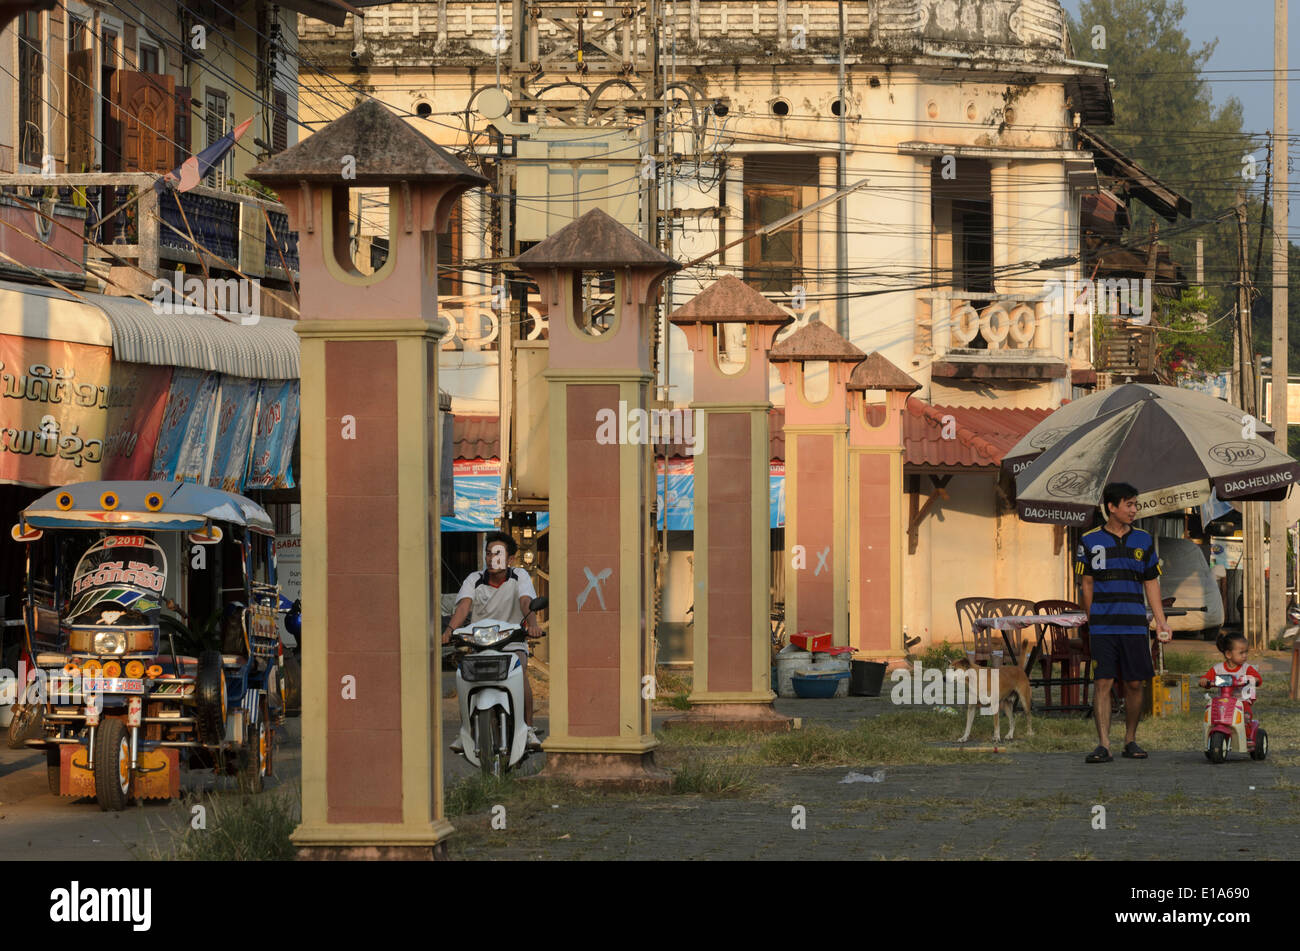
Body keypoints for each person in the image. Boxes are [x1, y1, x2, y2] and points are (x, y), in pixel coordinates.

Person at [1076, 482, 1171, 763]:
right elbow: (1087, 583)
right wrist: (1093, 620)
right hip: (1103, 626)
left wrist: (1161, 622)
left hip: (1134, 625)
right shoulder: (1089, 540)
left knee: (1134, 684)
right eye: (1128, 504)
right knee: (1103, 682)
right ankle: (1104, 744)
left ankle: (1130, 739)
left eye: (1135, 504)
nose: (1134, 510)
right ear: (1112, 507)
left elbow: (1152, 582)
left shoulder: (1142, 540)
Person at [442, 531, 543, 750]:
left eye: (497, 553)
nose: (491, 558)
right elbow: (463, 606)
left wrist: (532, 624)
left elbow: (526, 601)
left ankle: (528, 730)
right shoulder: (474, 579)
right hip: (480, 643)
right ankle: (465, 731)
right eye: (488, 553)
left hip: (513, 641)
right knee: (464, 677)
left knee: (520, 669)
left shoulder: (520, 577)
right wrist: (450, 630)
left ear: (509, 559)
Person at [1198, 632, 1262, 721]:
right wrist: (1204, 680)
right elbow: (1206, 677)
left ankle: (1246, 732)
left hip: (1241, 700)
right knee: (1212, 716)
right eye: (1241, 653)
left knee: (1246, 717)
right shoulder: (1218, 669)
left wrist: (1253, 679)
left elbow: (1258, 679)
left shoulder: (1246, 668)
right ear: (1228, 654)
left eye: (1246, 652)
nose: (1245, 655)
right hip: (1222, 701)